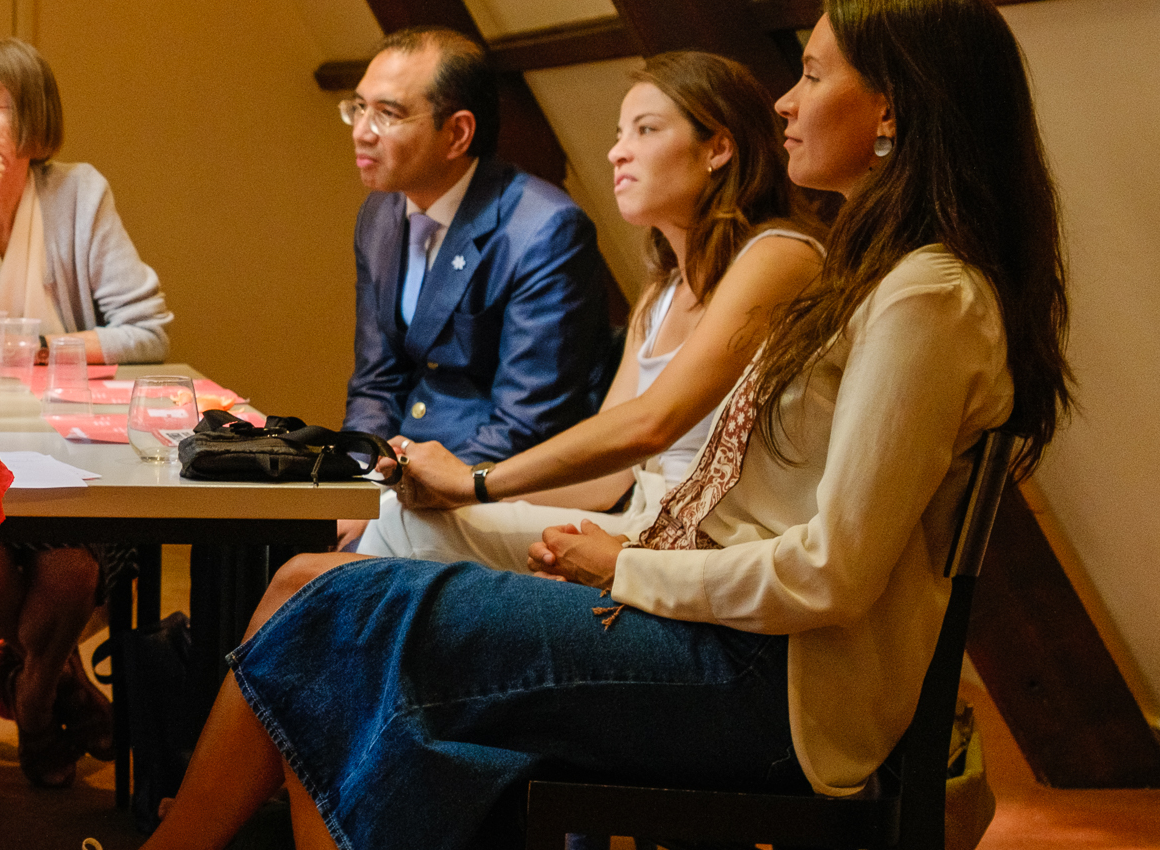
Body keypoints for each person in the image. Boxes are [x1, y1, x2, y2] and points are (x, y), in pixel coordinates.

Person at [0, 0, 1068, 850]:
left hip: (770, 684)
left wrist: (623, 558)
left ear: (898, 110)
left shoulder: (926, 295)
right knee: (331, 606)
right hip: (717, 629)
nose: (785, 102)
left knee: (342, 610)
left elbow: (830, 571)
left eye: (814, 72)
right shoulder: (877, 273)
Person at [350, 51, 823, 570]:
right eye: (620, 134)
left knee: (393, 532)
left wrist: (475, 482)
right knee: (400, 514)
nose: (618, 153)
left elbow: (651, 424)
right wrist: (450, 495)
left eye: (645, 130)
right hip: (646, 517)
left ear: (719, 147)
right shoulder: (662, 289)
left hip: (721, 546)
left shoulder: (779, 255)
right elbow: (606, 479)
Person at [0, 37, 172, 787]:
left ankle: (30, 687)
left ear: (31, 126)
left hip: (71, 447)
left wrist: (42, 348)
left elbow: (147, 329)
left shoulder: (78, 192)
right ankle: (59, 689)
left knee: (68, 567)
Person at [340, 29, 610, 472]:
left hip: (489, 480)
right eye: (358, 108)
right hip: (399, 472)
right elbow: (376, 382)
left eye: (387, 114)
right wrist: (357, 475)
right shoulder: (380, 211)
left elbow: (528, 422)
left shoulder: (545, 230)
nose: (361, 132)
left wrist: (399, 493)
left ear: (458, 133)